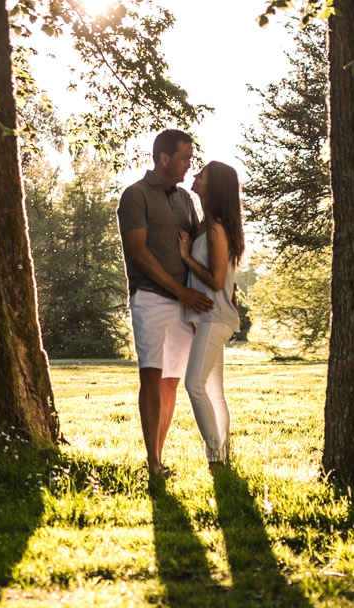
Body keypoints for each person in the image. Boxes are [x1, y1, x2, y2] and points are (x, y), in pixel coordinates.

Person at [117, 128, 212, 477]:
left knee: (172, 381)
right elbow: (138, 253)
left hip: (183, 304)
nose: (189, 164)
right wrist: (180, 290)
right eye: (185, 158)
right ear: (163, 158)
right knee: (152, 378)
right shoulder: (135, 196)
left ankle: (159, 457)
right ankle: (153, 462)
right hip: (151, 299)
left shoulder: (184, 198)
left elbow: (201, 238)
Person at [182, 161, 246, 467]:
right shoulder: (206, 224)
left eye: (201, 174)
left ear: (214, 185)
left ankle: (215, 456)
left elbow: (218, 280)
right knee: (213, 390)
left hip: (213, 316)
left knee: (194, 384)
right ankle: (224, 454)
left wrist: (185, 257)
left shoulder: (216, 227)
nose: (195, 176)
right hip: (210, 316)